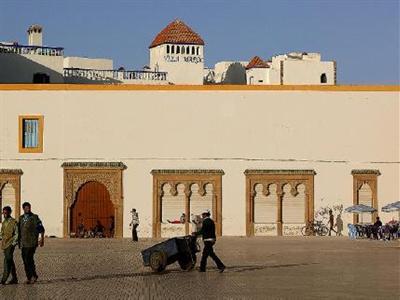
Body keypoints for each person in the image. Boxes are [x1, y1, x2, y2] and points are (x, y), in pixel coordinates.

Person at [18, 202, 45, 284]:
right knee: (25, 260)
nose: (28, 209)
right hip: (23, 243)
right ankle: (30, 277)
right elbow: (19, 230)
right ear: (23, 209)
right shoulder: (21, 218)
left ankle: (33, 276)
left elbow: (41, 228)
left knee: (28, 259)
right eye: (26, 208)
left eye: (29, 208)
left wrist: (41, 238)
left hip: (32, 242)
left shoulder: (34, 217)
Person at [0, 206, 18, 284]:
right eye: (4, 213)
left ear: (10, 212)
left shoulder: (14, 222)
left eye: (6, 213)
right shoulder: (4, 222)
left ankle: (4, 279)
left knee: (7, 260)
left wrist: (14, 243)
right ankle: (14, 278)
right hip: (4, 243)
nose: (5, 214)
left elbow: (17, 233)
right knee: (10, 260)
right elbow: (2, 233)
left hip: (10, 244)